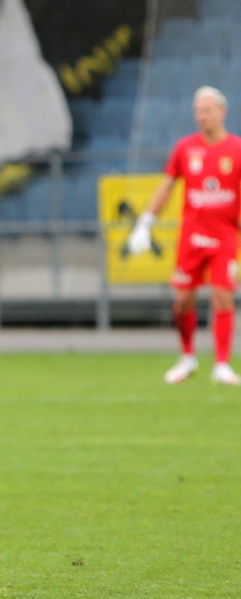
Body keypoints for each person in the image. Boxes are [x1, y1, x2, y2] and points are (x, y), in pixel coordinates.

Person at [127, 86, 241, 386]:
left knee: (223, 297)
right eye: (197, 111)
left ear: (221, 111)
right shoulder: (185, 148)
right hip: (191, 238)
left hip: (226, 237)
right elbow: (167, 186)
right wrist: (145, 222)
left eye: (206, 110)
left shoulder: (237, 150)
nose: (201, 117)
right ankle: (188, 357)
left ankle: (222, 364)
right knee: (183, 301)